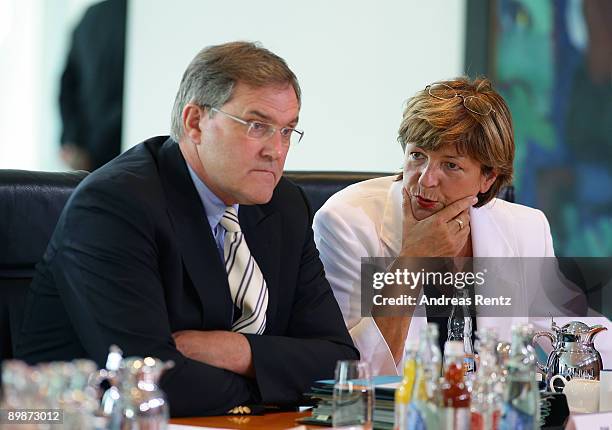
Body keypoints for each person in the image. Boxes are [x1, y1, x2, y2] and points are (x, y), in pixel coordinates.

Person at [16, 42, 358, 415]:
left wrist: (237, 351)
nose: (276, 150)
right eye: (257, 126)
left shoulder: (284, 205)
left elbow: (339, 362)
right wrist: (278, 381)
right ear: (195, 122)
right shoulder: (114, 206)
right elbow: (150, 382)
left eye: (288, 130)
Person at [313, 77, 612, 375]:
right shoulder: (346, 222)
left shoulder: (524, 228)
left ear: (488, 178)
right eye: (417, 156)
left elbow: (571, 331)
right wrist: (413, 259)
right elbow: (351, 369)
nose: (425, 179)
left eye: (450, 165)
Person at [59, 0, 127, 171]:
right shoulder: (145, 14)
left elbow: (67, 87)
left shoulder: (89, 18)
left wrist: (71, 140)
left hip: (88, 150)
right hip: (125, 148)